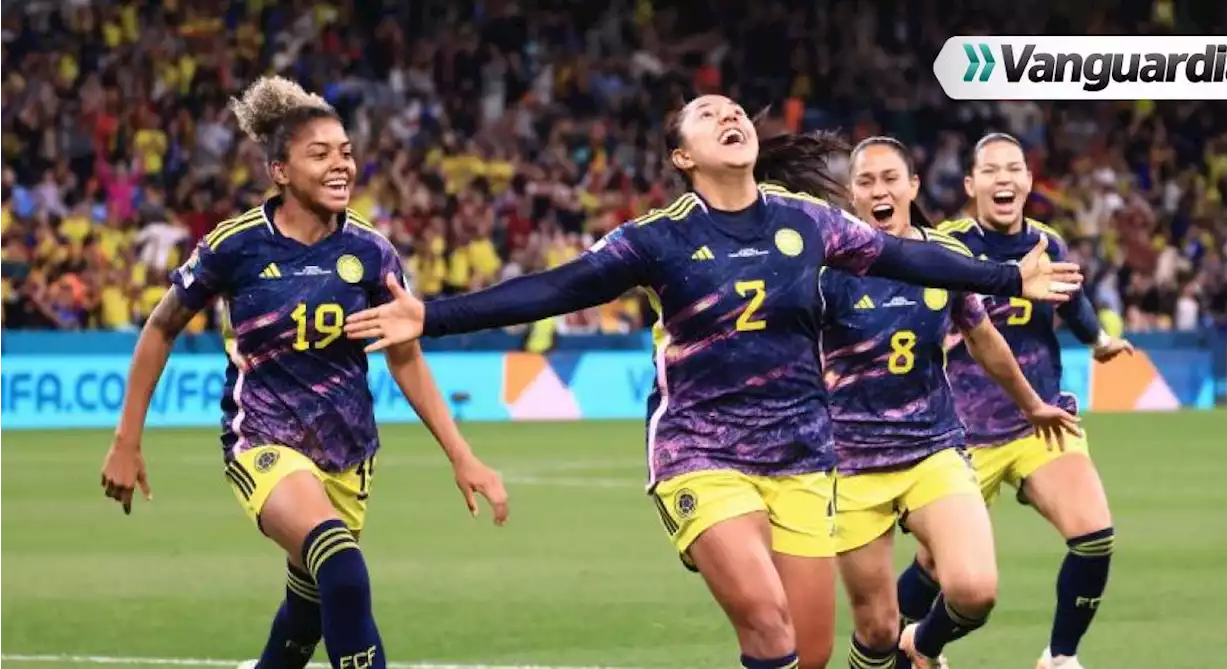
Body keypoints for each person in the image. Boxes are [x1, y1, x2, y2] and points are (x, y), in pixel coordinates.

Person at [343, 95, 1082, 669]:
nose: (729, 115)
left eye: (735, 111)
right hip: (702, 452)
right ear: (682, 155)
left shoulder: (808, 222)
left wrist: (1008, 273)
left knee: (812, 653)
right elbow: (556, 287)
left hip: (801, 458)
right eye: (708, 116)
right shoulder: (659, 236)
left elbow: (908, 257)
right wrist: (431, 316)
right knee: (767, 619)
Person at [98, 76, 509, 669]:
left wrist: (461, 454)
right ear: (280, 172)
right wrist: (126, 439)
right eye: (320, 154)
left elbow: (405, 357)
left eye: (345, 152)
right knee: (342, 568)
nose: (341, 164)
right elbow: (160, 328)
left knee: (311, 606)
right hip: (263, 441)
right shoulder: (236, 246)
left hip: (348, 452)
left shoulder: (371, 252)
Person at [821, 136, 1082, 669]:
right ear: (851, 195)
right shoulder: (826, 269)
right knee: (874, 629)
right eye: (866, 182)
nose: (880, 190)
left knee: (975, 590)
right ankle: (895, 646)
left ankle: (921, 645)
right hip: (850, 463)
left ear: (913, 187)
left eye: (891, 178)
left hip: (932, 450)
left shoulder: (945, 259)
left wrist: (1031, 405)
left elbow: (984, 337)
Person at [897, 133, 1133, 669]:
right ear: (970, 184)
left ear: (1028, 180)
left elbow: (1071, 299)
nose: (1004, 179)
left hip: (1040, 421)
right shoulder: (944, 245)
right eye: (991, 170)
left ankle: (1059, 656)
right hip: (958, 437)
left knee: (1094, 536)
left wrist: (1098, 342)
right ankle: (892, 645)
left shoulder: (1048, 243)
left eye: (1015, 169)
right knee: (936, 568)